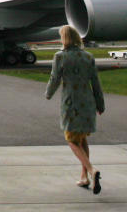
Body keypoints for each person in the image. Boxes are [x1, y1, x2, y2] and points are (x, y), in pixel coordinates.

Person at [45, 25, 105, 195]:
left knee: (71, 139)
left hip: (71, 103)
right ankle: (84, 177)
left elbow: (54, 78)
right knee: (82, 139)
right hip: (88, 102)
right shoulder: (88, 56)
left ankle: (92, 170)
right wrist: (100, 103)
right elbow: (96, 81)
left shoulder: (60, 56)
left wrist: (48, 94)